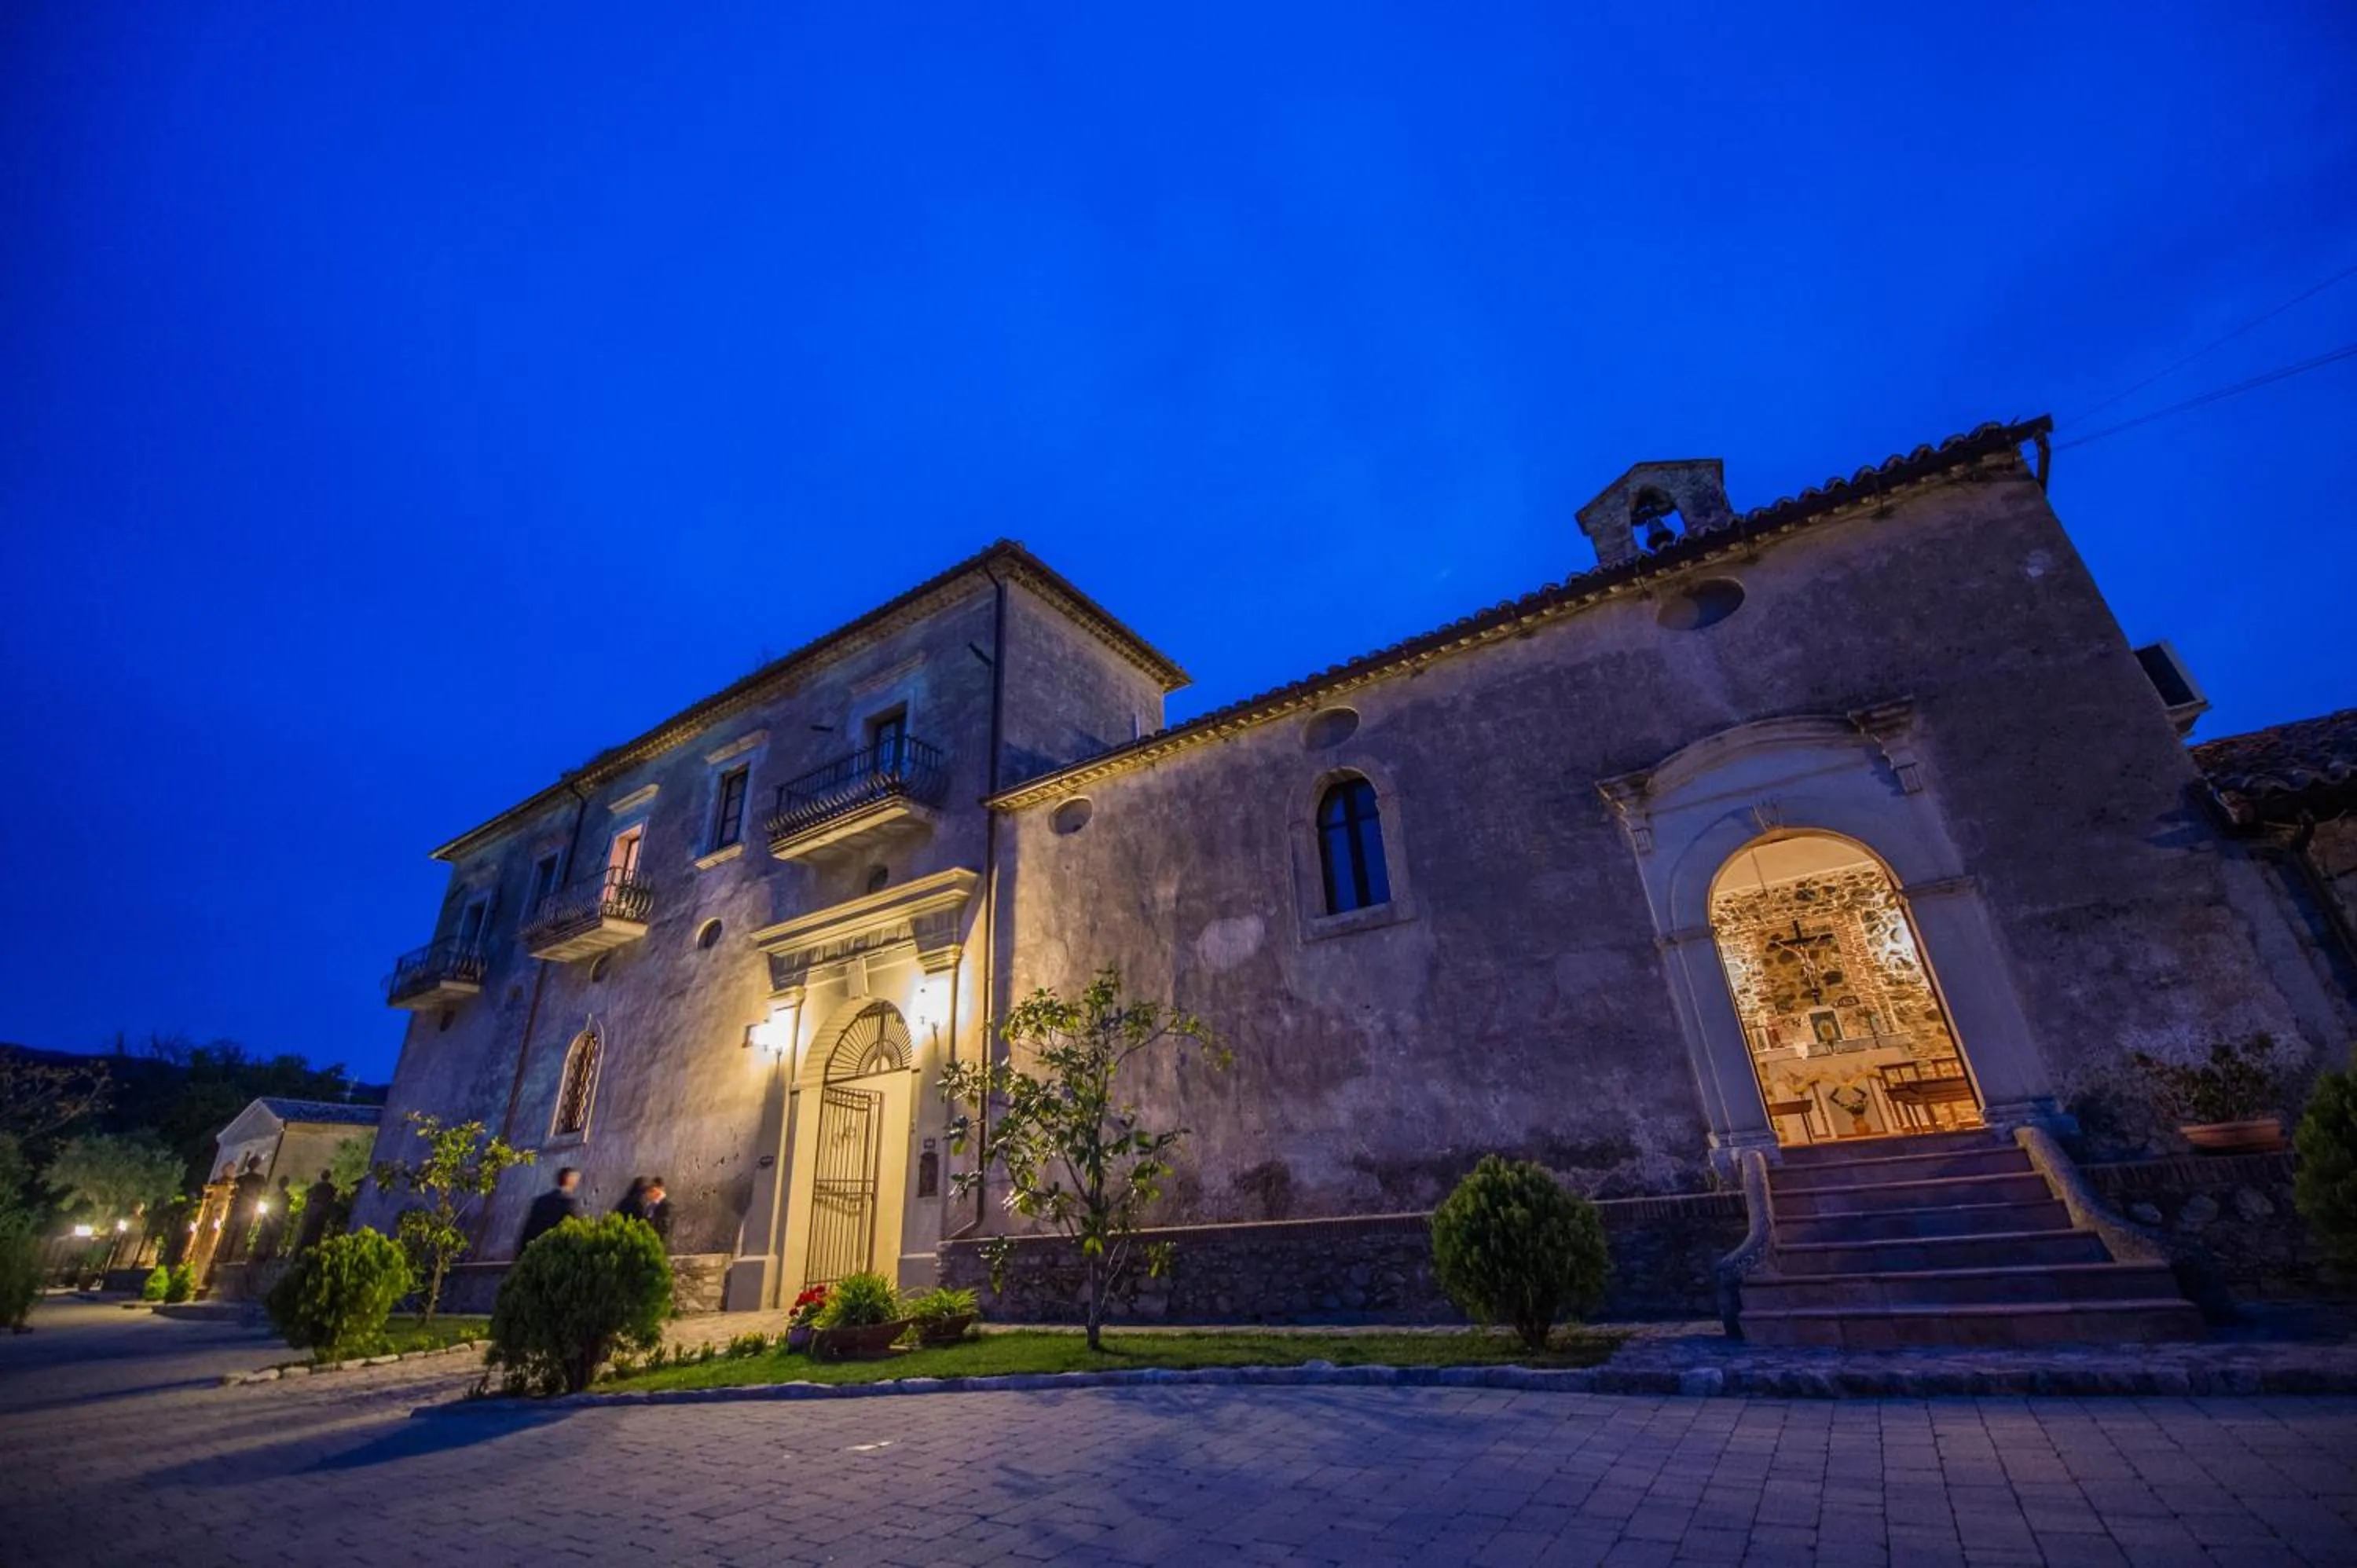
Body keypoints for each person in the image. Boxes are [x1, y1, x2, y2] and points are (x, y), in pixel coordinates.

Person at [518, 1167, 583, 1253]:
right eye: (576, 1179)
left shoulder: (540, 1201)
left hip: (535, 1251)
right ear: (569, 1179)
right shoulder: (567, 1203)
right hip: (555, 1253)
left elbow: (528, 1230)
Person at [294, 1167, 339, 1253]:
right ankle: (312, 1251)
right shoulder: (330, 1188)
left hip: (313, 1212)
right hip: (321, 1213)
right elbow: (332, 1199)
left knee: (308, 1232)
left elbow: (309, 1194)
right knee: (317, 1233)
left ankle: (302, 1251)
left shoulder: (317, 1186)